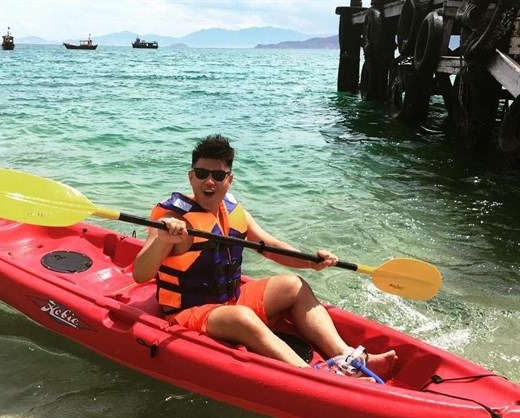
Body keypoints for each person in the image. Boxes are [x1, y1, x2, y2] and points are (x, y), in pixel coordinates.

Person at [133, 134, 397, 377]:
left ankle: (348, 358)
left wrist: (312, 262)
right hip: (188, 312)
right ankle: (311, 376)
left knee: (293, 285)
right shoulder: (172, 220)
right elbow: (140, 273)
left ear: (229, 180)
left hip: (231, 300)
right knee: (242, 317)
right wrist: (163, 241)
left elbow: (271, 246)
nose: (209, 181)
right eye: (202, 173)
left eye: (218, 175)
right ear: (191, 177)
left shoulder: (233, 212)